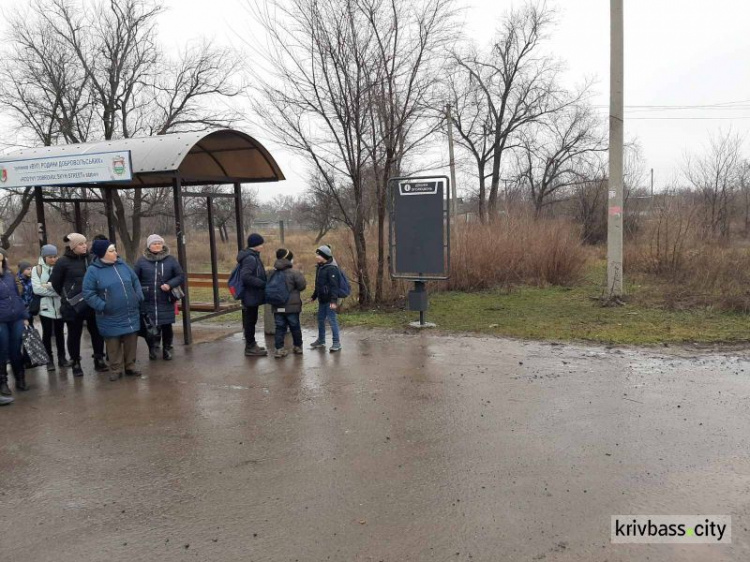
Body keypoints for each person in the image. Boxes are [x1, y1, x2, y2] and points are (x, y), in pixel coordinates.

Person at [82, 240, 144, 382]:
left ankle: (130, 366)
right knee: (113, 342)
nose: (115, 253)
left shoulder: (123, 265)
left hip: (130, 311)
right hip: (109, 314)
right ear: (102, 254)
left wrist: (138, 296)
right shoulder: (93, 271)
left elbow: (135, 280)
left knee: (131, 340)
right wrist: (103, 305)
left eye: (114, 250)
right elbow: (88, 293)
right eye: (111, 251)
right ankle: (116, 369)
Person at [49, 233, 108, 377]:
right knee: (74, 335)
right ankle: (75, 362)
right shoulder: (62, 262)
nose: (85, 246)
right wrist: (68, 295)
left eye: (85, 243)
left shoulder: (91, 259)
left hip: (92, 304)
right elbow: (55, 284)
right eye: (81, 244)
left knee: (97, 333)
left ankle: (99, 359)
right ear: (73, 246)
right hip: (72, 306)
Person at [133, 234, 184, 361]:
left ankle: (167, 349)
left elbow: (180, 276)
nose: (157, 245)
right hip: (148, 299)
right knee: (151, 327)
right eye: (154, 243)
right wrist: (141, 291)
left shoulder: (171, 260)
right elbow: (134, 279)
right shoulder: (141, 261)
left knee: (166, 325)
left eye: (159, 243)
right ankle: (153, 348)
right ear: (149, 246)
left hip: (165, 299)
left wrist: (169, 284)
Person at [31, 245, 71, 371]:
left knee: (60, 334)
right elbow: (37, 289)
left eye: (55, 256)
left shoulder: (60, 268)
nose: (53, 259)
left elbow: (64, 286)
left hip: (59, 307)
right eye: (50, 257)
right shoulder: (37, 270)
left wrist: (47, 287)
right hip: (45, 308)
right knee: (47, 334)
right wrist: (55, 291)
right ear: (44, 257)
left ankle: (62, 358)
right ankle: (49, 361)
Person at [0, 248, 30, 396]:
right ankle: (3, 382)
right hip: (1, 321)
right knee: (2, 350)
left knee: (16, 349)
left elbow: (18, 297)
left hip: (16, 318)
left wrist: (24, 315)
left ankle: (20, 378)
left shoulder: (9, 275)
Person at [269, 249, 307, 358]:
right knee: (295, 326)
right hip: (292, 307)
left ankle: (279, 349)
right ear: (288, 259)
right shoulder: (295, 273)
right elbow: (302, 286)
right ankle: (298, 346)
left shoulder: (271, 273)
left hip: (277, 306)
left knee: (280, 327)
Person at [237, 233, 268, 357]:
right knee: (250, 320)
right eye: (261, 244)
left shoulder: (252, 256)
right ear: (256, 245)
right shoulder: (250, 258)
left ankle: (252, 343)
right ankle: (250, 346)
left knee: (251, 319)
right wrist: (262, 283)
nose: (262, 246)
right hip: (250, 294)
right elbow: (245, 276)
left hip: (251, 294)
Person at [309, 245, 342, 352]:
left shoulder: (332, 268)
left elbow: (334, 286)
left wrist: (333, 301)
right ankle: (321, 340)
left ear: (324, 256)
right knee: (320, 320)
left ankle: (336, 343)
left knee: (332, 321)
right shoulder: (320, 267)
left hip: (330, 300)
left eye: (318, 254)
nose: (316, 256)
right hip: (322, 300)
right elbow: (318, 284)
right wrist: (314, 296)